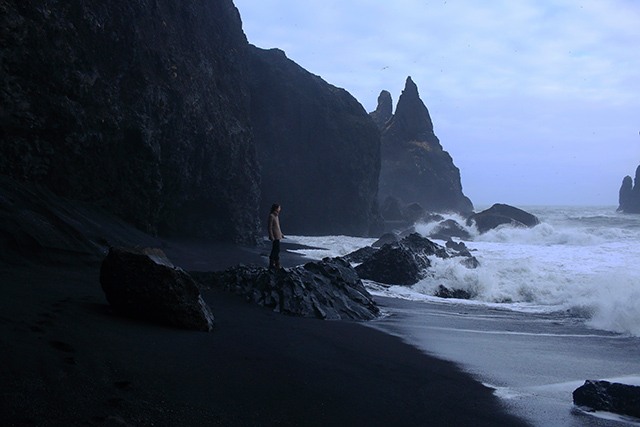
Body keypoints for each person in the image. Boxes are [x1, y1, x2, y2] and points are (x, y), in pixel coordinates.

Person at [268, 204, 284, 269]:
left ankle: (275, 264)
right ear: (276, 208)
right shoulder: (272, 216)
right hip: (274, 236)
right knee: (275, 250)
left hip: (277, 236)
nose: (280, 209)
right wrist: (271, 236)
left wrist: (281, 234)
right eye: (279, 208)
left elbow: (278, 227)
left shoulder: (276, 216)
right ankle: (273, 264)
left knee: (277, 250)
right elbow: (270, 227)